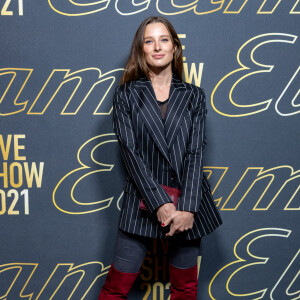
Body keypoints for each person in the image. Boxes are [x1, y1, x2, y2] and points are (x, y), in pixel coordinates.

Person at [98, 16, 222, 300]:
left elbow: (195, 153)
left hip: (186, 205)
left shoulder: (194, 96)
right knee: (115, 290)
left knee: (185, 289)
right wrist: (160, 203)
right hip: (141, 203)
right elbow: (130, 152)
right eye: (149, 40)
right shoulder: (126, 95)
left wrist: (188, 208)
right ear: (141, 49)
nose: (157, 46)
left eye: (164, 39)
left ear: (175, 48)